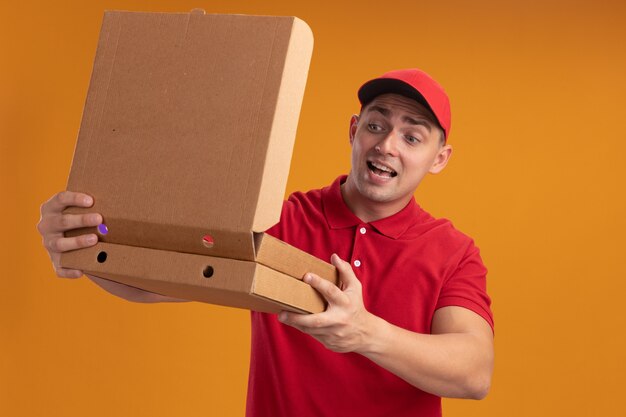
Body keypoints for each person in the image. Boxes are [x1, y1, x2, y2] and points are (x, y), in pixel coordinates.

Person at [38, 68, 494, 417]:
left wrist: (365, 332)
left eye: (412, 137)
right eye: (377, 126)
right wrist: (84, 244)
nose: (388, 145)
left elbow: (474, 371)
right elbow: (157, 281)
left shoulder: (452, 250)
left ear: (439, 158)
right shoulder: (279, 220)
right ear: (354, 130)